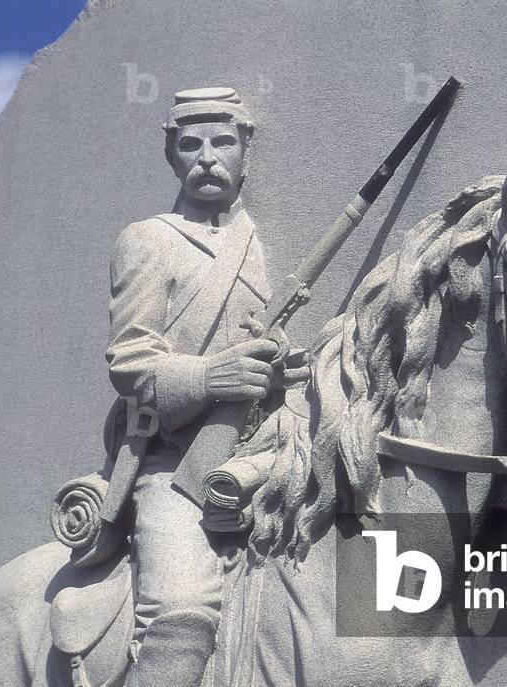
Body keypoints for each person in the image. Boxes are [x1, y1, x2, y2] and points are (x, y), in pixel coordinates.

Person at [103, 87, 302, 686]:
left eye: (223, 142)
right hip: (173, 464)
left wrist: (280, 365)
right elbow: (130, 363)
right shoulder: (148, 239)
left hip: (264, 456)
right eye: (191, 144)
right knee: (182, 610)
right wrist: (210, 376)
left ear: (247, 151)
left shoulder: (259, 248)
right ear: (172, 157)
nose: (208, 157)